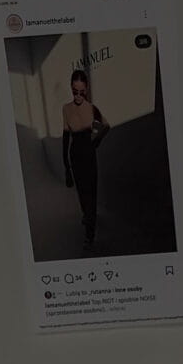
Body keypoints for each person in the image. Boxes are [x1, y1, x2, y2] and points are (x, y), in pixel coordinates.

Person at [60, 68, 110, 250]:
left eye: (82, 92)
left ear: (86, 89)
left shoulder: (92, 109)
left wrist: (95, 142)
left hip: (88, 155)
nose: (78, 96)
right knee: (82, 192)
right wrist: (66, 167)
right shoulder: (66, 109)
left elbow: (106, 126)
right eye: (75, 92)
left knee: (91, 193)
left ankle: (90, 233)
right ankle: (87, 216)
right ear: (71, 88)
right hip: (75, 156)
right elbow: (66, 137)